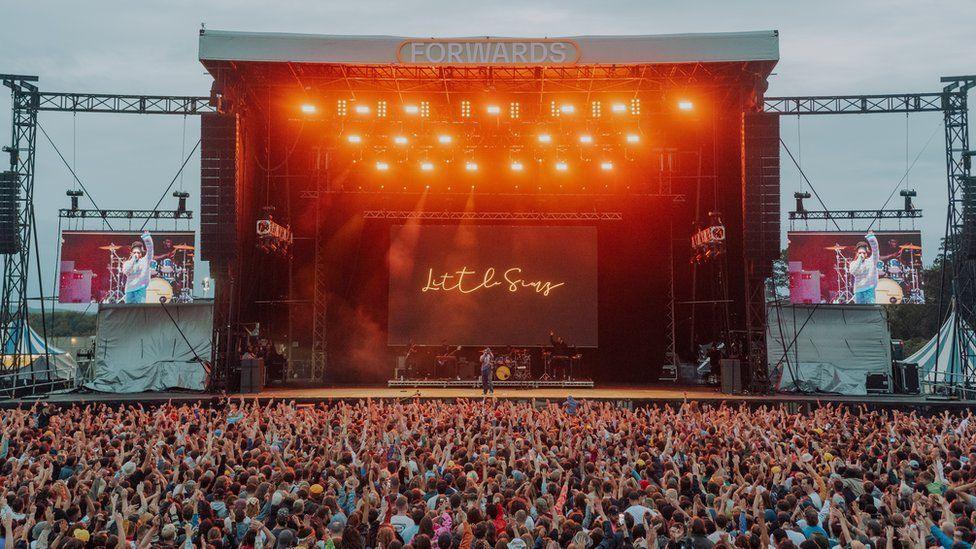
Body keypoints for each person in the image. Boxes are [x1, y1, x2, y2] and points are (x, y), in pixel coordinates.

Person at [122, 230, 154, 303]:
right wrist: (133, 260)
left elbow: (150, 250)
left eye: (138, 252)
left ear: (141, 254)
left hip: (140, 289)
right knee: (129, 310)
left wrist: (147, 238)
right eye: (134, 252)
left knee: (140, 309)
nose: (136, 254)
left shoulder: (145, 261)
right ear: (131, 253)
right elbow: (126, 271)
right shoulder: (127, 263)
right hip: (129, 290)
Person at [847, 231, 879, 304]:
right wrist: (859, 260)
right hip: (858, 291)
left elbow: (876, 250)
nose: (862, 255)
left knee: (871, 309)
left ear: (866, 253)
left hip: (869, 290)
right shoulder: (853, 263)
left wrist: (871, 238)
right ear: (857, 254)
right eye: (860, 253)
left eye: (863, 253)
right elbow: (853, 271)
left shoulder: (871, 261)